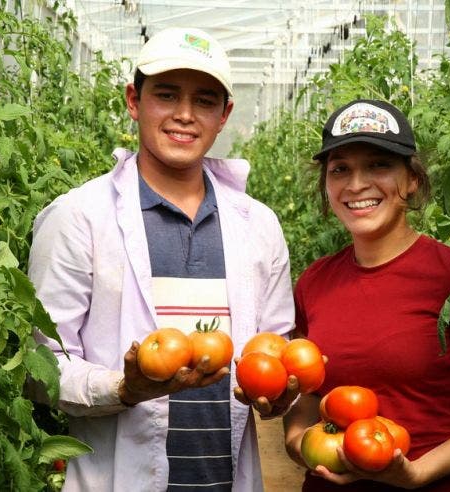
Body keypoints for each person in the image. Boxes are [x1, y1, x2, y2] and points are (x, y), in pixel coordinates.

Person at [27, 27, 296, 491]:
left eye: (205, 101)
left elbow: (273, 350)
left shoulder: (259, 226)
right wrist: (124, 388)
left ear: (225, 114)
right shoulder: (79, 218)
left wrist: (277, 394)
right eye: (167, 95)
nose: (185, 115)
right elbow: (39, 367)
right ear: (134, 100)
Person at [283, 99, 450, 491]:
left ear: (412, 178)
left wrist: (418, 472)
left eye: (378, 165)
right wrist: (299, 439)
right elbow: (310, 396)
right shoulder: (314, 281)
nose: (356, 184)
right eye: (340, 170)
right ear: (326, 185)